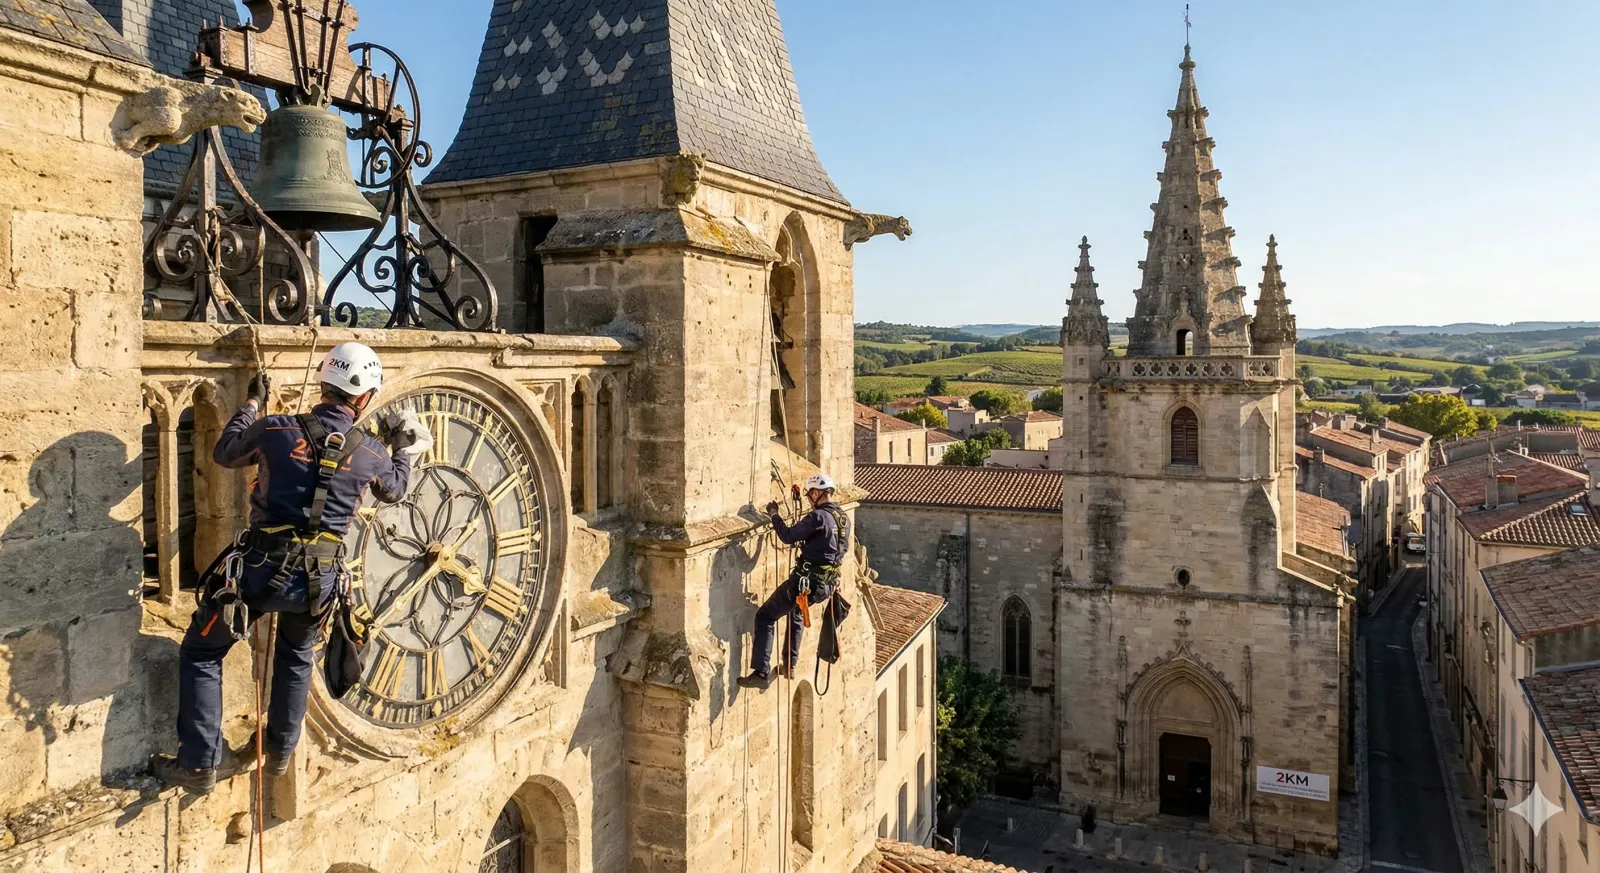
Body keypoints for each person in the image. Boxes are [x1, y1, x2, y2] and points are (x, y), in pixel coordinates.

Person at [150, 342, 431, 795]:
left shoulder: (277, 429)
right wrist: (402, 450)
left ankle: (200, 763)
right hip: (320, 580)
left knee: (202, 652)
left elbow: (225, 452)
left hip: (261, 568)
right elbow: (394, 490)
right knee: (297, 657)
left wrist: (251, 403)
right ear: (363, 398)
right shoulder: (371, 453)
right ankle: (280, 751)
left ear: (324, 383)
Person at [737, 473, 851, 690]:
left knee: (765, 616)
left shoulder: (818, 517)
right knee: (796, 611)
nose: (809, 499)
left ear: (817, 493)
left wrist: (774, 515)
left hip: (806, 582)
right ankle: (790, 664)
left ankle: (760, 671)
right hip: (826, 585)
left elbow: (788, 536)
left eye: (810, 495)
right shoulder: (843, 519)